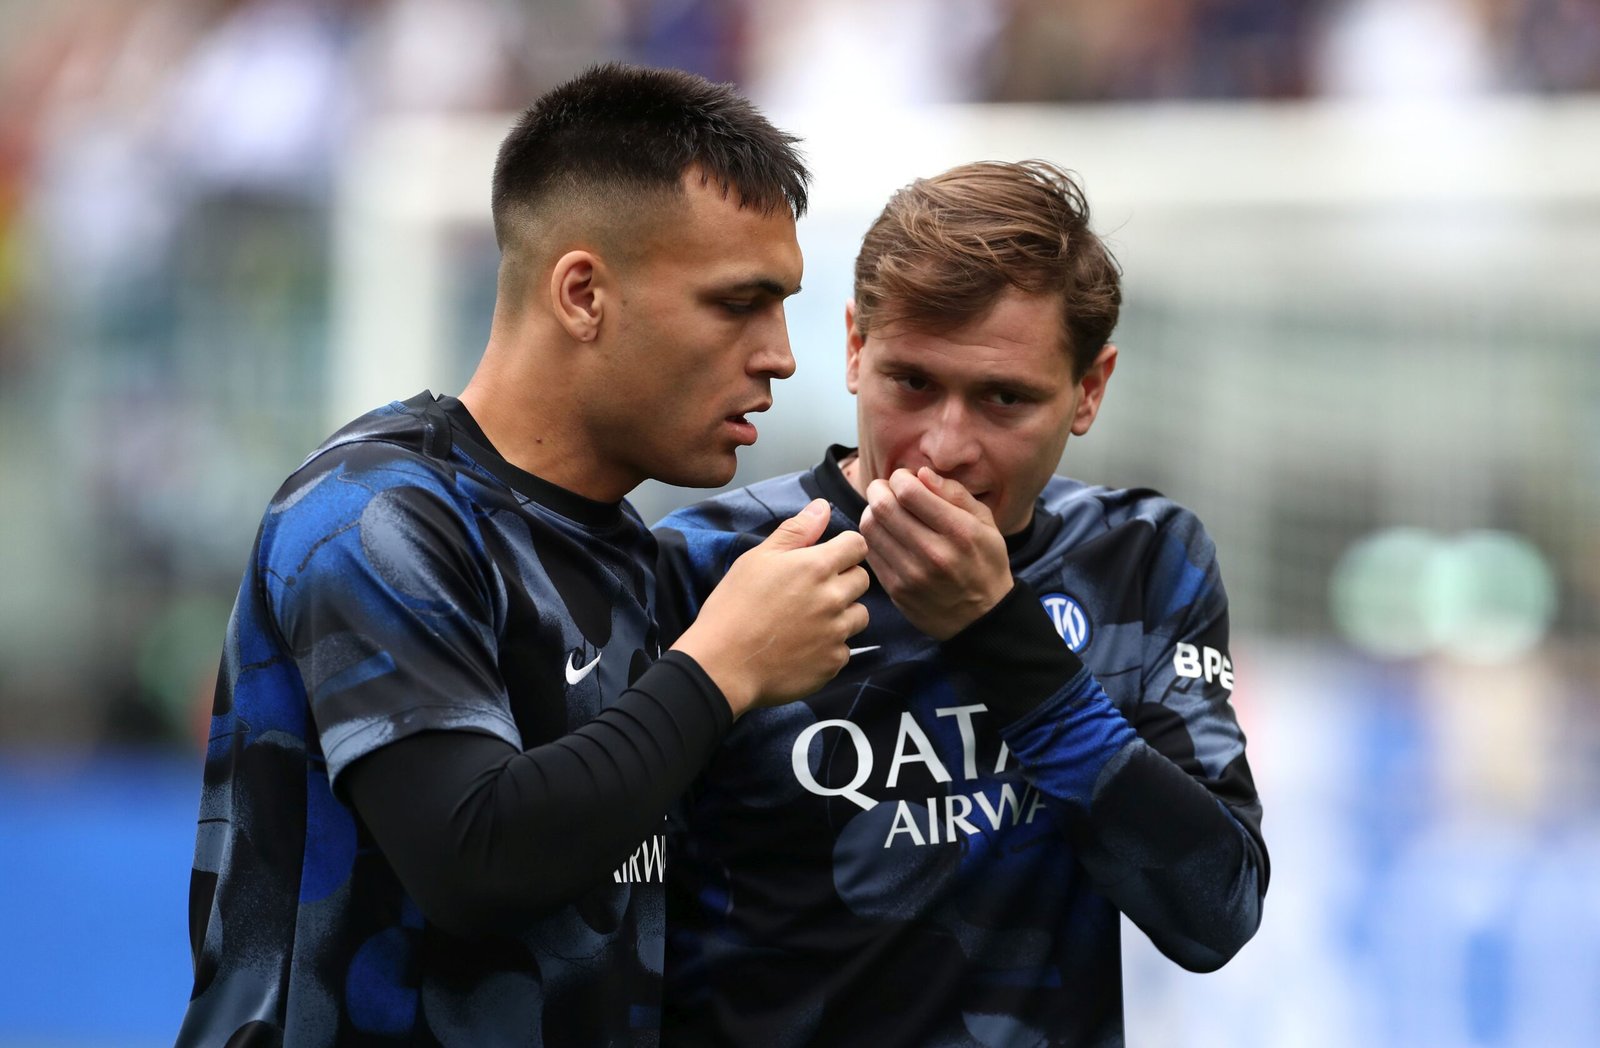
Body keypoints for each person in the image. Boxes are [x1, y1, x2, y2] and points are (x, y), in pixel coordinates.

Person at [176, 63, 871, 1047]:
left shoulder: (634, 553)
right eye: (736, 304)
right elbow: (474, 859)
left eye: (784, 305)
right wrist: (723, 668)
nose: (780, 355)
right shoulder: (371, 515)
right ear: (582, 294)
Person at [654, 159, 1269, 1046]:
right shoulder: (707, 565)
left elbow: (1217, 913)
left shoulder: (1141, 560)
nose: (944, 447)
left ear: (1090, 390)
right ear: (855, 348)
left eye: (1004, 399)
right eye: (912, 383)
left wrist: (1001, 635)